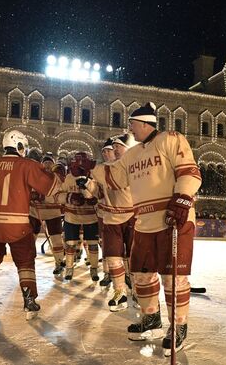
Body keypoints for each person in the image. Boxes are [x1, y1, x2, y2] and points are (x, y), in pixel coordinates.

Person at [79, 102, 201, 355]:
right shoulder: (132, 156)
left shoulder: (171, 139)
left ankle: (178, 326)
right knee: (141, 275)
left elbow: (190, 171)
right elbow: (114, 177)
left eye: (133, 124)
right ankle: (151, 319)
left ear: (145, 123)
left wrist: (183, 197)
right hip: (144, 222)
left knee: (172, 277)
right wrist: (90, 168)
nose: (130, 128)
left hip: (172, 218)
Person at [0, 130, 61, 319]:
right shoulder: (26, 165)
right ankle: (29, 300)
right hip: (16, 224)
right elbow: (51, 187)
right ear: (19, 146)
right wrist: (57, 173)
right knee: (25, 261)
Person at [85, 133, 137, 312]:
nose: (114, 150)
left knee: (132, 257)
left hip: (132, 216)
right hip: (110, 217)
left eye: (118, 147)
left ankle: (137, 291)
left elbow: (117, 182)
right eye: (112, 147)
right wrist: (86, 184)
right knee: (113, 256)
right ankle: (119, 291)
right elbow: (97, 193)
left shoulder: (132, 166)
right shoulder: (103, 169)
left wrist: (92, 168)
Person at [54, 151, 100, 282]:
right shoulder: (69, 178)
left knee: (92, 243)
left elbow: (100, 194)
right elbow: (57, 196)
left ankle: (94, 268)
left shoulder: (94, 177)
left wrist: (94, 199)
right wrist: (69, 197)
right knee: (70, 244)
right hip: (72, 216)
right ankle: (69, 267)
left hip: (90, 217)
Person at [31, 155, 67, 275]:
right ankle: (28, 261)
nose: (47, 165)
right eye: (45, 162)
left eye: (49, 163)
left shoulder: (57, 176)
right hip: (35, 211)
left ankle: (59, 262)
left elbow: (60, 190)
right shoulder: (35, 174)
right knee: (30, 238)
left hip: (53, 211)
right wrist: (32, 195)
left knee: (56, 239)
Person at [97, 138, 116, 288]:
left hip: (124, 213)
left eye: (108, 150)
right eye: (103, 151)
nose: (105, 153)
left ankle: (127, 276)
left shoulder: (122, 167)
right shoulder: (100, 169)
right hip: (104, 213)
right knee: (105, 245)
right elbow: (95, 190)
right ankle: (107, 273)